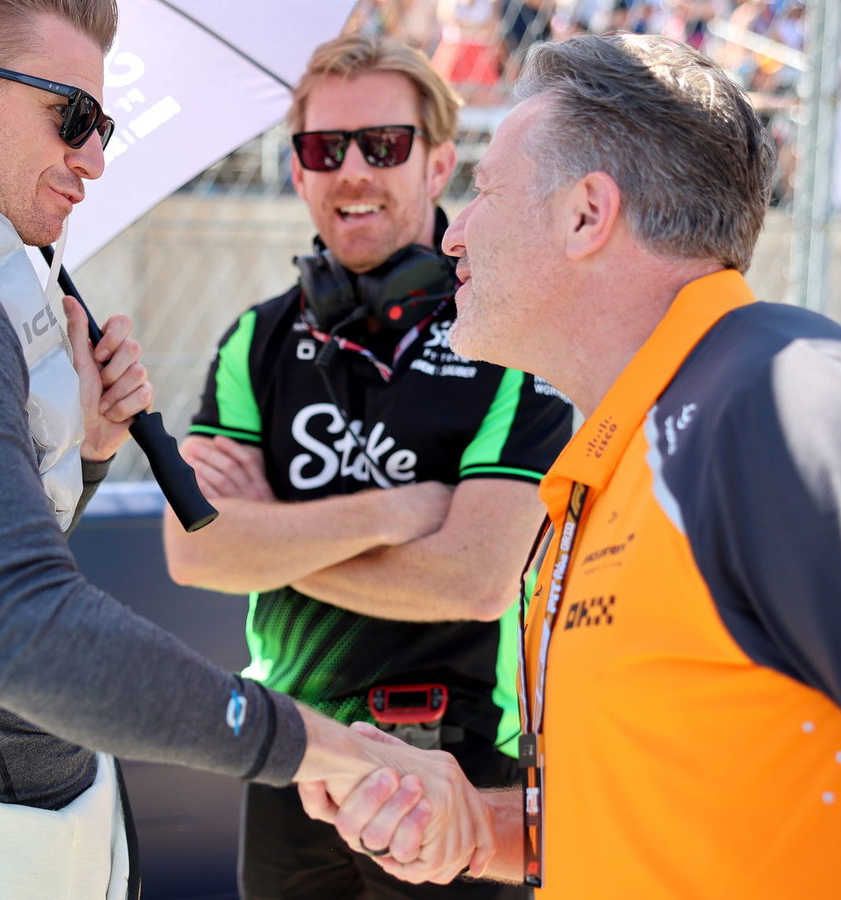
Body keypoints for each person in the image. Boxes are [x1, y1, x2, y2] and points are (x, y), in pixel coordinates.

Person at [308, 32, 841, 898]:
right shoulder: (630, 453)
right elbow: (672, 809)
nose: (455, 233)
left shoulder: (790, 404)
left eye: (483, 193)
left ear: (587, 214)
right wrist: (477, 827)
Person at [0, 2, 494, 896]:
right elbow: (23, 637)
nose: (92, 156)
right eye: (71, 115)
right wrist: (325, 749)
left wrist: (84, 454)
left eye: (104, 126)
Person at [162, 33, 572, 900]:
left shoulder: (515, 336)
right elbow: (195, 550)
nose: (352, 170)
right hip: (291, 751)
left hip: (458, 766)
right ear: (298, 170)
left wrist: (267, 541)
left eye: (383, 145)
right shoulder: (256, 338)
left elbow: (475, 579)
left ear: (438, 164)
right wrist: (396, 512)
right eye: (324, 148)